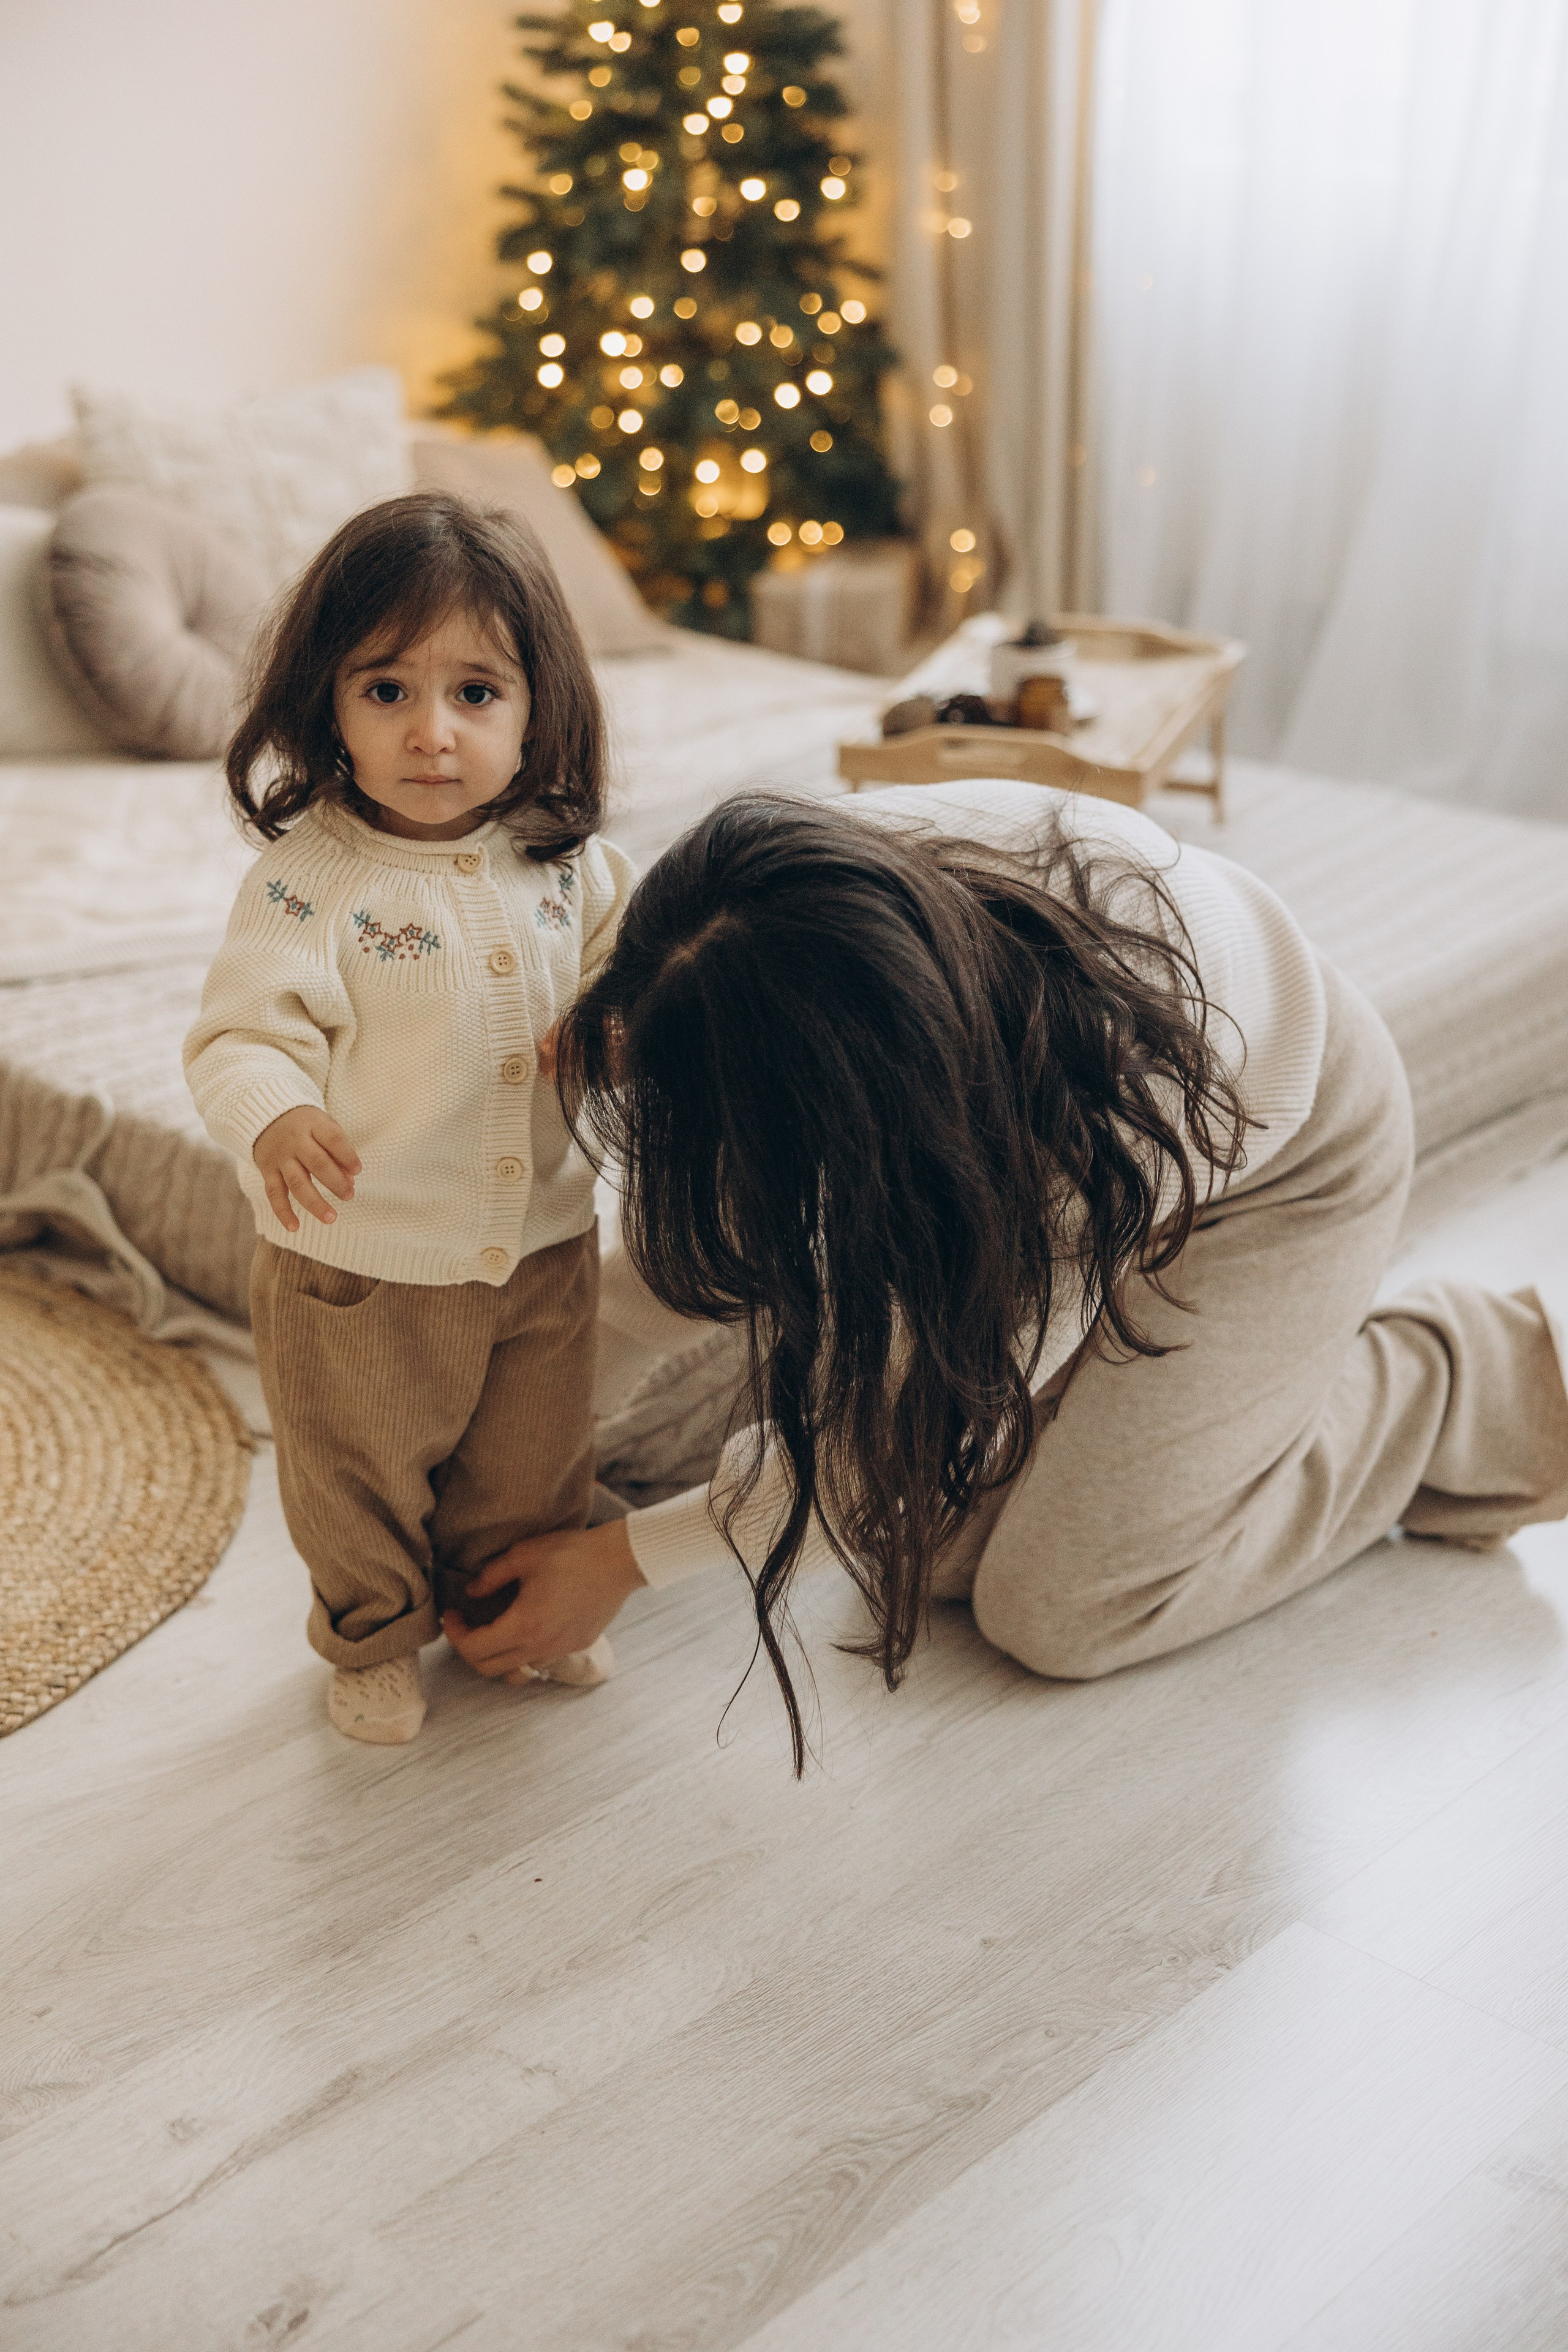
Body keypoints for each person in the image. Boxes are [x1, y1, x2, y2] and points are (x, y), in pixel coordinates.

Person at [441, 779, 1568, 1770]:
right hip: (1047, 1151)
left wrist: (621, 1564)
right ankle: (1223, 1406)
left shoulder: (1054, 1131)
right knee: (928, 1562)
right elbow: (676, 1264)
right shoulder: (757, 907)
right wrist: (522, 1446)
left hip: (1277, 1172)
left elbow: (893, 1428)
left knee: (1064, 1609)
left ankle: (1461, 1383)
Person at [186, 492, 636, 1744]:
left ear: (541, 701)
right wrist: (274, 1113)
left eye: (475, 695)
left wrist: (616, 1024)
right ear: (326, 704)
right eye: (386, 692)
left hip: (542, 1249)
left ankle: (511, 1608)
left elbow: (635, 980)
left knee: (533, 1462)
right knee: (356, 1478)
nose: (431, 735)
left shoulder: (576, 868)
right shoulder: (308, 882)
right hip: (357, 1265)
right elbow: (238, 1035)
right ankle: (374, 1638)